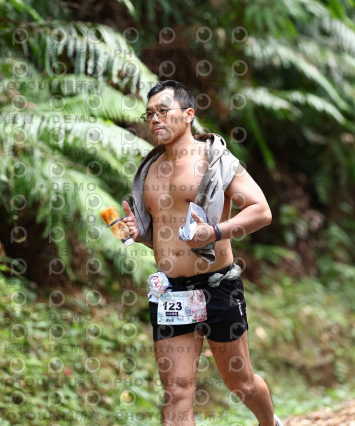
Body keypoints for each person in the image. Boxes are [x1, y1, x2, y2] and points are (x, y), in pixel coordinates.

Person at [121, 80, 282, 426]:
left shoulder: (217, 161)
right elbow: (164, 237)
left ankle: (270, 423)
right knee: (177, 391)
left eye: (163, 111)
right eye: (149, 114)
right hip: (171, 292)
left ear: (189, 114)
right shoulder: (149, 171)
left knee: (241, 383)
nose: (155, 119)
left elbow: (261, 210)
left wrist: (215, 231)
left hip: (217, 285)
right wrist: (140, 233)